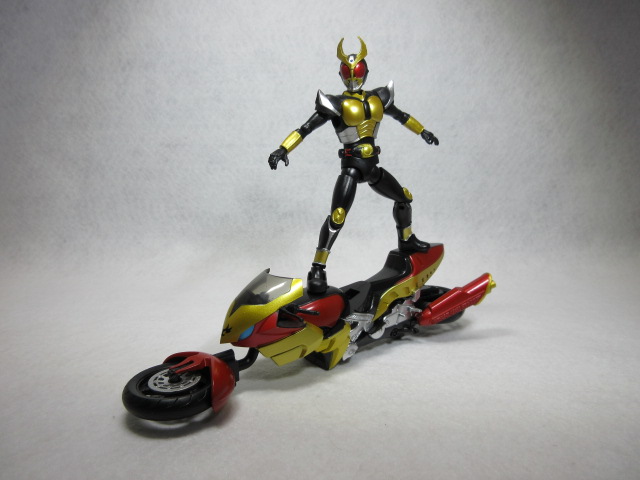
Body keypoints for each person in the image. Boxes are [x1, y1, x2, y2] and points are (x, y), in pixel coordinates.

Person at [268, 37, 439, 294]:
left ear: (365, 72)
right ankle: (318, 267)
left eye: (357, 71)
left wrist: (423, 131)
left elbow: (402, 116)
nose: (352, 77)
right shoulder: (336, 104)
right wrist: (283, 148)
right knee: (337, 216)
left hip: (372, 167)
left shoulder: (379, 98)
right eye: (347, 73)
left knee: (403, 198)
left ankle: (406, 240)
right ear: (340, 75)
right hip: (351, 167)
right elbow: (305, 128)